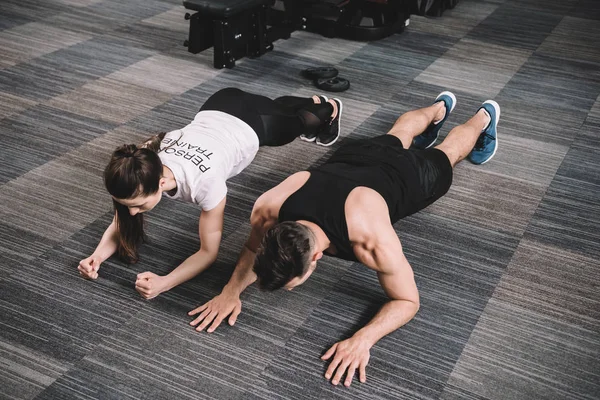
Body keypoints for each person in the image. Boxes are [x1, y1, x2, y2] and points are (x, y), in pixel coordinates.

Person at [188, 91, 501, 386]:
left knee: (449, 153)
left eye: (294, 283)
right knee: (400, 133)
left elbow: (408, 300)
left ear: (315, 258)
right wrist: (231, 291)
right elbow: (253, 248)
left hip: (407, 176)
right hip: (353, 158)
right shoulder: (269, 208)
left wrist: (362, 339)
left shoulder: (371, 242)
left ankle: (484, 118)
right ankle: (440, 108)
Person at [77, 87, 343, 299]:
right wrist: (96, 256)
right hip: (219, 102)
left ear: (160, 184)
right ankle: (281, 105)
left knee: (303, 122)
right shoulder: (141, 165)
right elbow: (121, 220)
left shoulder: (205, 183)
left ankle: (327, 106)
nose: (131, 211)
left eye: (137, 205)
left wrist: (165, 283)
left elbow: (208, 252)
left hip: (256, 124)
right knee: (278, 107)